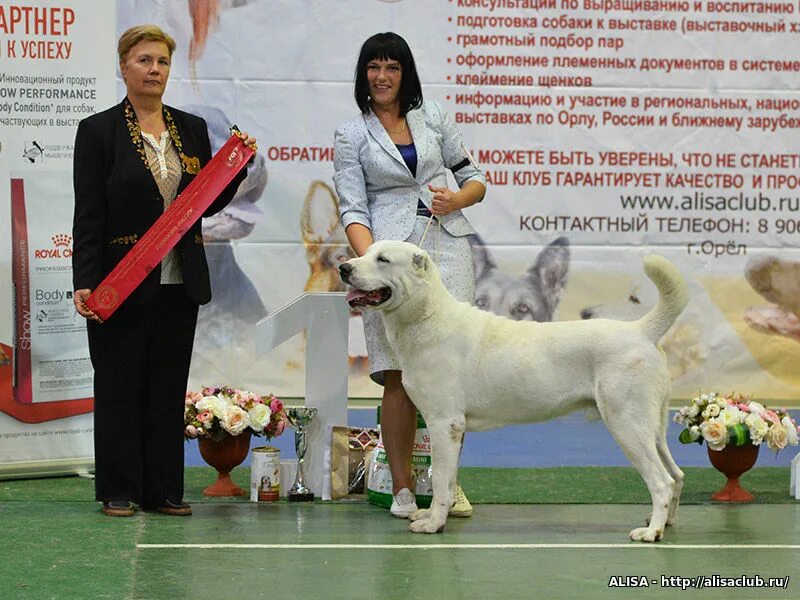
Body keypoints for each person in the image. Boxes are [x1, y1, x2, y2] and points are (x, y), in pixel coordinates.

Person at [71, 24, 256, 517]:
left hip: (180, 280)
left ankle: (163, 491)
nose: (155, 70)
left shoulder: (191, 128)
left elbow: (203, 205)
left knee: (166, 386)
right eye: (144, 60)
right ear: (123, 67)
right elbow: (88, 214)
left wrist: (234, 169)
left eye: (162, 62)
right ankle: (118, 488)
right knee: (118, 384)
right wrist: (84, 281)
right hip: (120, 281)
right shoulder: (97, 131)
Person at [333, 32, 486, 519]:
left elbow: (475, 179)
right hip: (387, 264)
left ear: (405, 74)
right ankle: (401, 489)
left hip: (448, 252)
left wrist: (455, 199)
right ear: (364, 74)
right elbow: (353, 209)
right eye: (374, 67)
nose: (382, 76)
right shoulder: (351, 134)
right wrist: (370, 272)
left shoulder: (434, 116)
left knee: (450, 375)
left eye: (392, 67)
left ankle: (448, 487)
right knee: (397, 375)